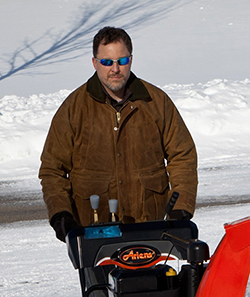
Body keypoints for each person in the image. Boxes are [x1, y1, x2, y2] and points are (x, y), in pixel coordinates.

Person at [39, 26, 198, 242]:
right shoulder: (74, 108)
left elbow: (183, 156)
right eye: (107, 62)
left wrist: (181, 209)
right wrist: (61, 214)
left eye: (122, 61)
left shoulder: (156, 102)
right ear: (95, 63)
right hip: (93, 231)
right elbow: (52, 170)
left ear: (131, 60)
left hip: (150, 227)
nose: (115, 69)